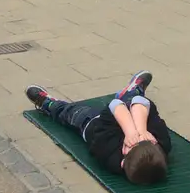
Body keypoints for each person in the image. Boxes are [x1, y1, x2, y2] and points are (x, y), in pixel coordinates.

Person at [25, 71, 170, 185]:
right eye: (144, 140)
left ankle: (49, 104)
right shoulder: (162, 142)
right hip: (126, 118)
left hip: (95, 123)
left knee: (72, 113)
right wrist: (141, 130)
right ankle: (133, 91)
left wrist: (130, 131)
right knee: (133, 100)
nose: (138, 139)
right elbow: (140, 103)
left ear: (123, 159)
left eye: (133, 143)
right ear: (154, 143)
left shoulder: (109, 155)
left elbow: (115, 105)